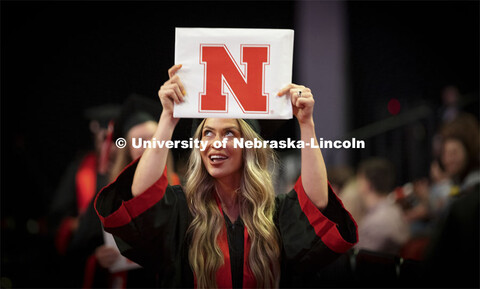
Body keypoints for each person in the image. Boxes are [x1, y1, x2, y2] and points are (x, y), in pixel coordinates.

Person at [94, 64, 358, 288]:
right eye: (207, 133)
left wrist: (306, 124)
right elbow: (142, 197)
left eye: (229, 133)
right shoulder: (182, 210)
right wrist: (168, 118)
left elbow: (316, 204)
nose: (215, 143)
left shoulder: (273, 214)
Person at [68, 94, 178, 288]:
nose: (147, 147)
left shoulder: (182, 189)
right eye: (138, 141)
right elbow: (78, 249)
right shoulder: (108, 198)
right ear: (126, 148)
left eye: (153, 140)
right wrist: (97, 258)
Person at [355, 158, 410, 255]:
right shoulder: (395, 210)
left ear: (366, 184)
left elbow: (359, 258)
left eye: (359, 180)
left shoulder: (377, 221)